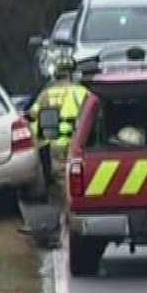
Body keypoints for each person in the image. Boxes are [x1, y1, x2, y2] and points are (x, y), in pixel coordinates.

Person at [28, 57, 89, 204]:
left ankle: (67, 206)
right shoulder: (81, 91)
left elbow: (33, 113)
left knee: (62, 177)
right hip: (78, 141)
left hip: (55, 143)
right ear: (72, 73)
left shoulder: (46, 94)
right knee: (80, 174)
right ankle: (79, 203)